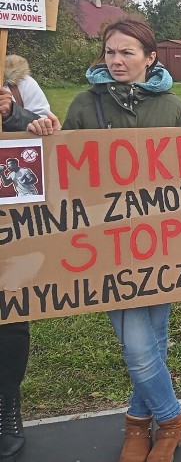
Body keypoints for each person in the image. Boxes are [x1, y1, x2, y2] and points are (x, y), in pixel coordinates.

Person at [33, 17, 181, 462]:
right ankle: (162, 421)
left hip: (160, 243)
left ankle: (150, 424)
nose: (117, 60)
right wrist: (45, 138)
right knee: (146, 343)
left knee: (141, 346)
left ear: (149, 57)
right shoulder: (85, 104)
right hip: (104, 246)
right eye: (110, 52)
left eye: (127, 52)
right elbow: (64, 175)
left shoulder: (172, 106)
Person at [0, 88, 60, 462]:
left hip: (8, 225)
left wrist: (13, 117)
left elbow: (44, 129)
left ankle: (6, 404)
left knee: (8, 314)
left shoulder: (12, 85)